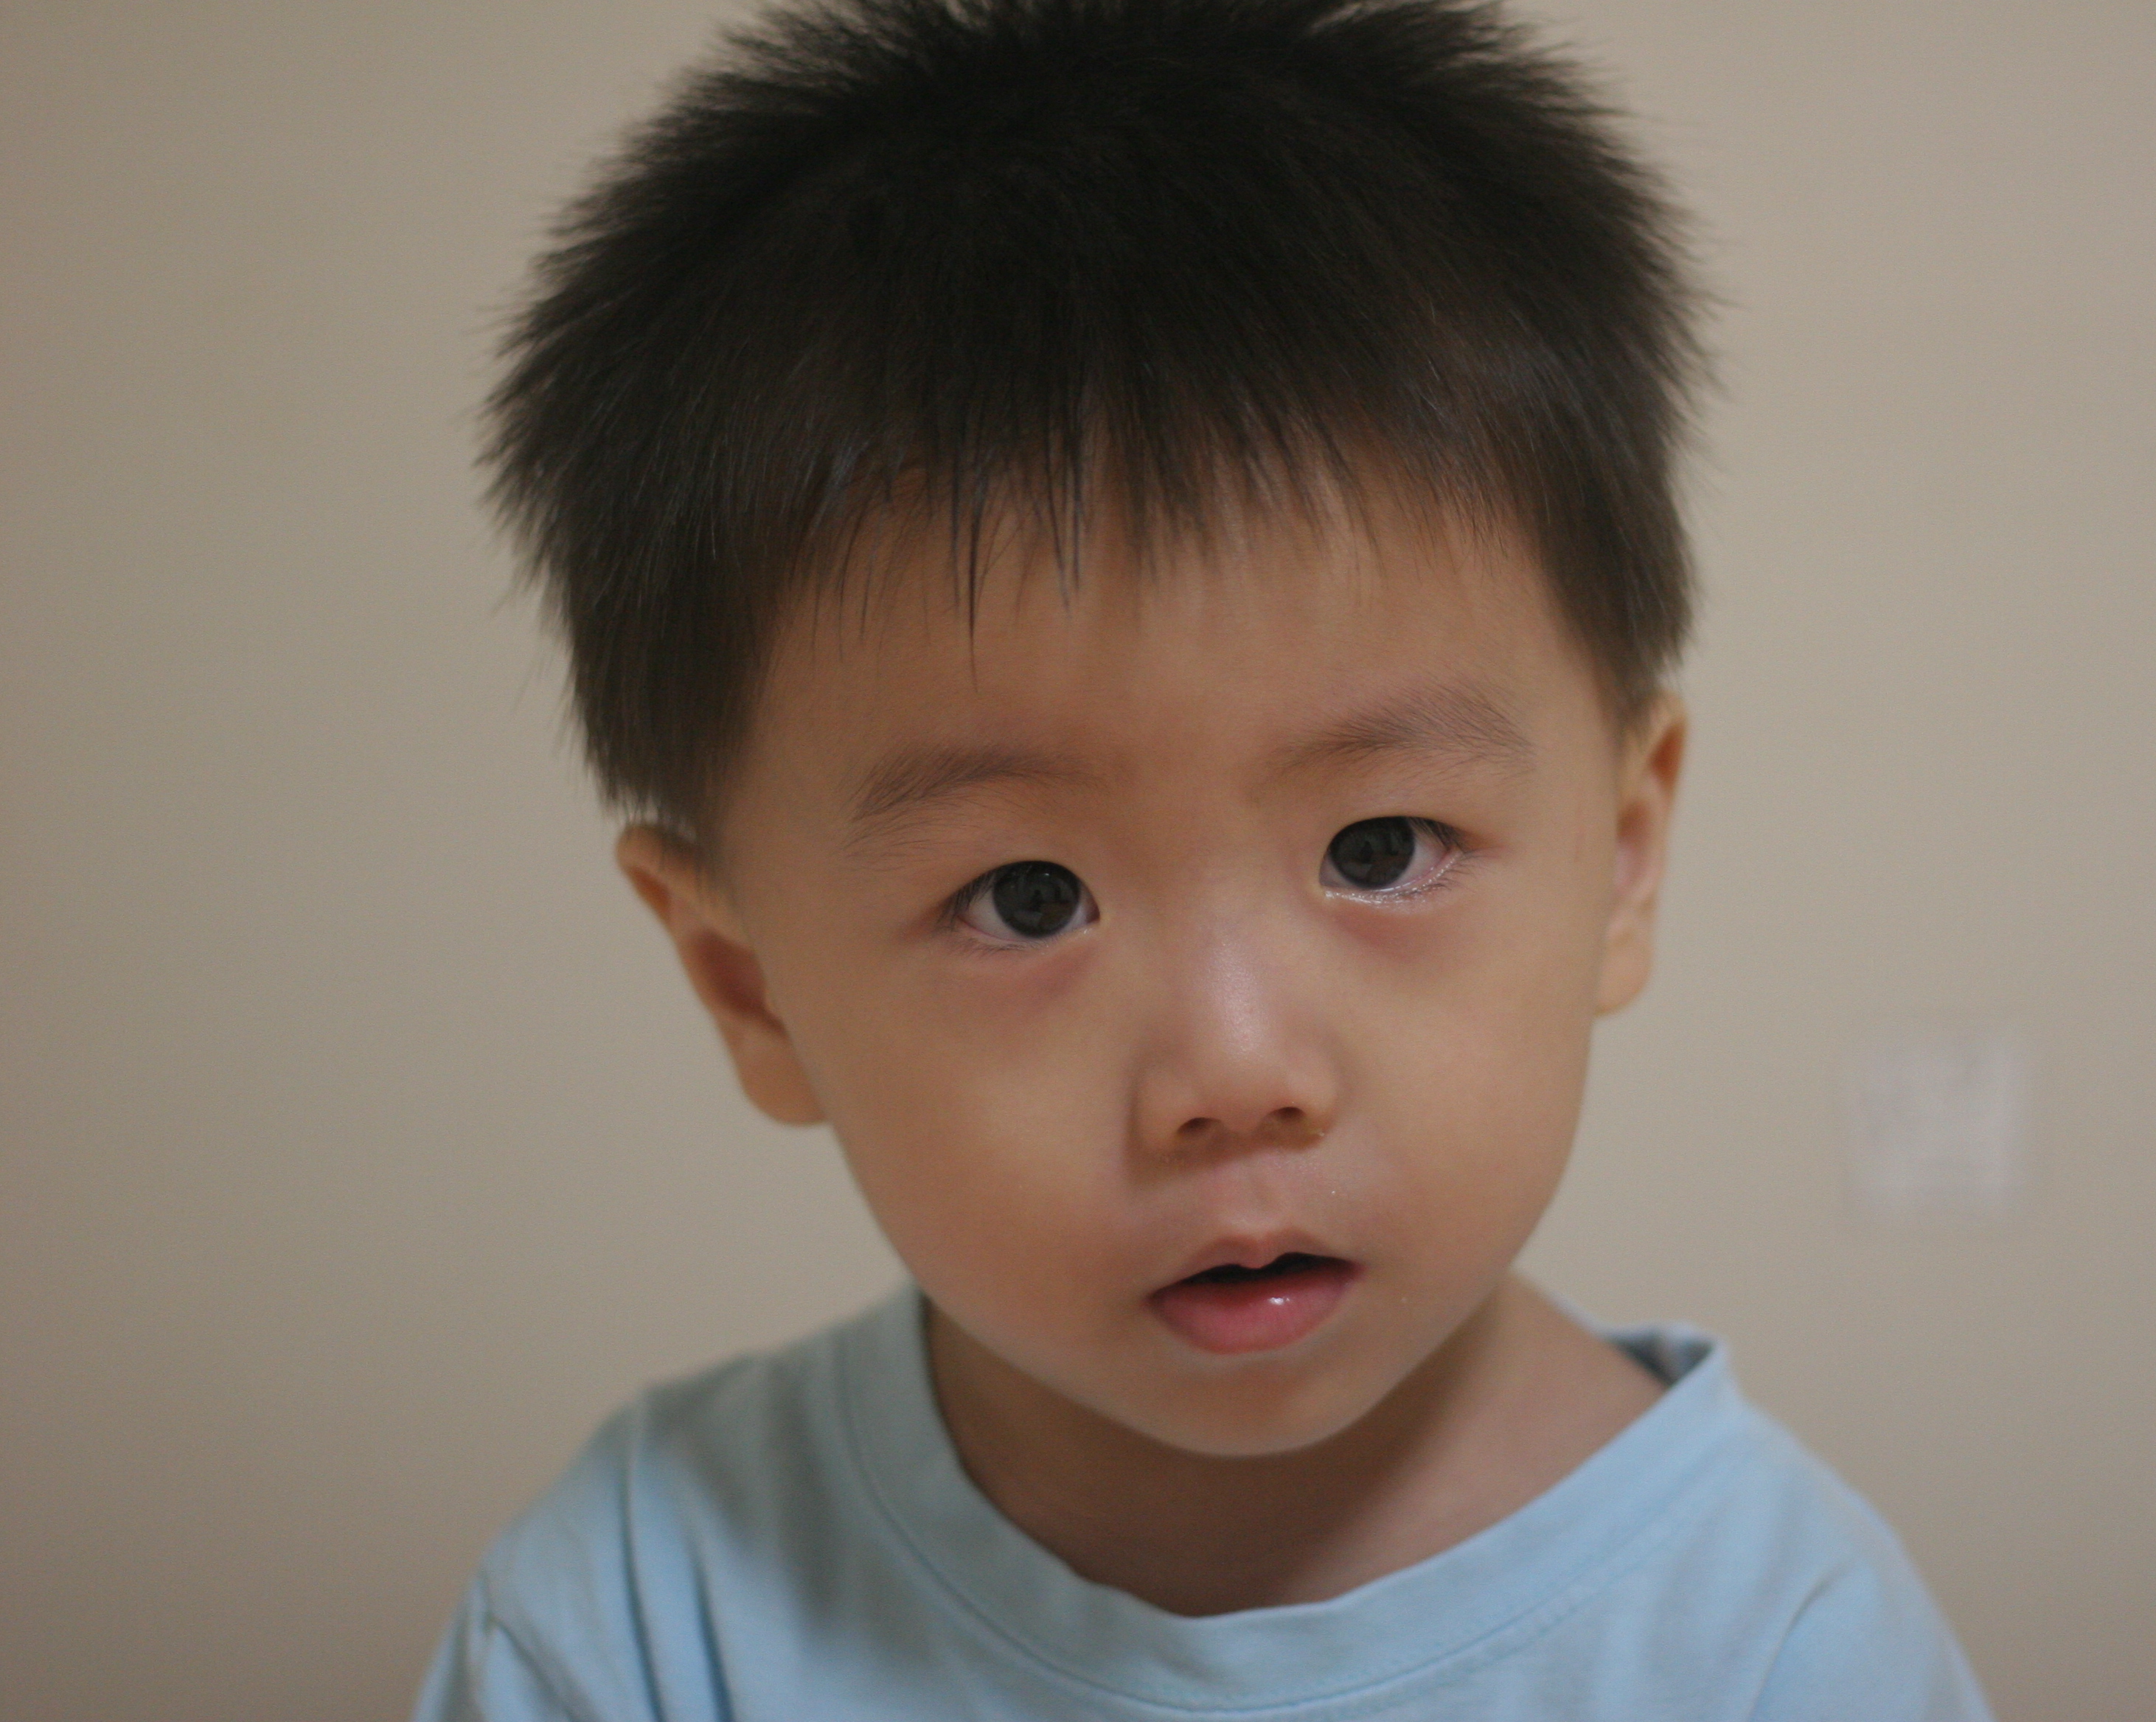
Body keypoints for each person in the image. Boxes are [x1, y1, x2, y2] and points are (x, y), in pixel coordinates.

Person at [415, 1, 1993, 1715]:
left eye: (1381, 848)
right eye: (1028, 900)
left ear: (1622, 856)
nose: (1236, 1077)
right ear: (748, 983)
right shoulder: (639, 1617)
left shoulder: (1775, 1647)